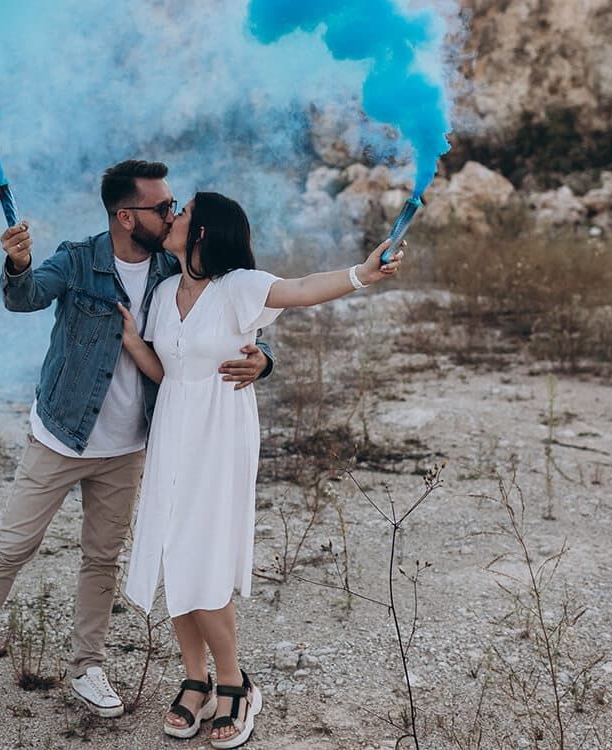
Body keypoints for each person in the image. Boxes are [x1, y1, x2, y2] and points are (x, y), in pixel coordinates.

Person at [0, 160, 276, 732]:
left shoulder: (170, 266)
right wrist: (18, 262)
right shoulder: (79, 259)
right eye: (162, 208)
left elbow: (228, 317)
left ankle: (88, 665)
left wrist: (264, 359)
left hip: (129, 447)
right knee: (10, 550)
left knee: (101, 559)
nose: (172, 213)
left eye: (173, 206)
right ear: (125, 215)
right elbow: (28, 295)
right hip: (61, 434)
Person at [118, 192, 403, 748]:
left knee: (205, 553)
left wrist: (362, 274)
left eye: (183, 212)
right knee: (173, 552)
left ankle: (235, 683)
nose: (172, 216)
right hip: (173, 428)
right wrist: (132, 341)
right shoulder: (161, 292)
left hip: (220, 431)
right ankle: (194, 679)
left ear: (202, 233)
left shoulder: (239, 286)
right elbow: (164, 370)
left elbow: (300, 290)